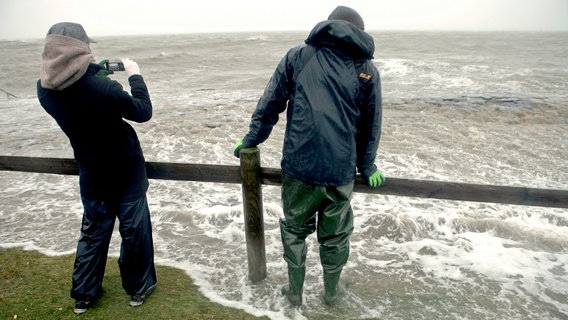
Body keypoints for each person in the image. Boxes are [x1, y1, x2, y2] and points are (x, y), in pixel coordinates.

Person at [233, 6, 385, 307]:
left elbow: (271, 103)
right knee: (335, 235)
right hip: (340, 170)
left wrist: (251, 139)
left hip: (299, 166)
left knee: (294, 230)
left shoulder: (298, 56)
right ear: (360, 32)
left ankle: (295, 293)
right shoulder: (365, 68)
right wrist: (367, 166)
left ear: (328, 25)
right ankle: (331, 292)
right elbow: (371, 124)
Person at [37, 22, 157, 314]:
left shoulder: (45, 90)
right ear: (78, 48)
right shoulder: (104, 87)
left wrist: (94, 71)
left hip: (91, 172)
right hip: (125, 172)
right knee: (133, 231)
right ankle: (138, 289)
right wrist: (135, 75)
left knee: (93, 233)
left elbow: (79, 95)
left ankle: (84, 295)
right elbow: (142, 111)